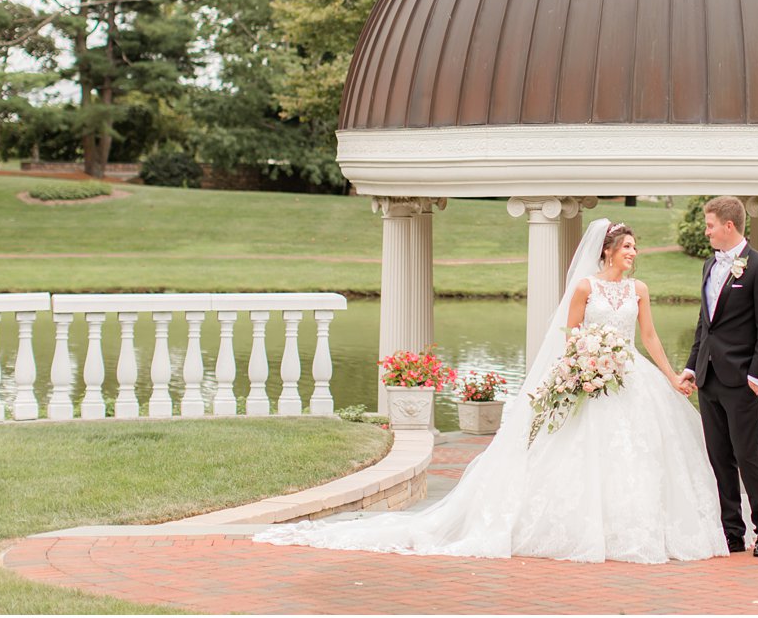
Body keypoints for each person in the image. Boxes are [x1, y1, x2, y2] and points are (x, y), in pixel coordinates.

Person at [255, 219, 728, 564]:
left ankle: (637, 530)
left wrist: (670, 376)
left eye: (635, 248)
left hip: (630, 378)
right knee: (581, 454)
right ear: (606, 251)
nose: (633, 253)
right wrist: (582, 367)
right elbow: (568, 337)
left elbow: (649, 338)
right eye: (627, 247)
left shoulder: (639, 289)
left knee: (640, 455)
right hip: (591, 377)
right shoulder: (585, 288)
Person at [679, 195, 758, 557]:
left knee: (748, 454)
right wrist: (692, 367)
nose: (705, 232)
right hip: (709, 380)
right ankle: (731, 533)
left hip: (743, 383)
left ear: (728, 225)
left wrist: (756, 378)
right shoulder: (710, 265)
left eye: (709, 226)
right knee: (719, 457)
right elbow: (704, 324)